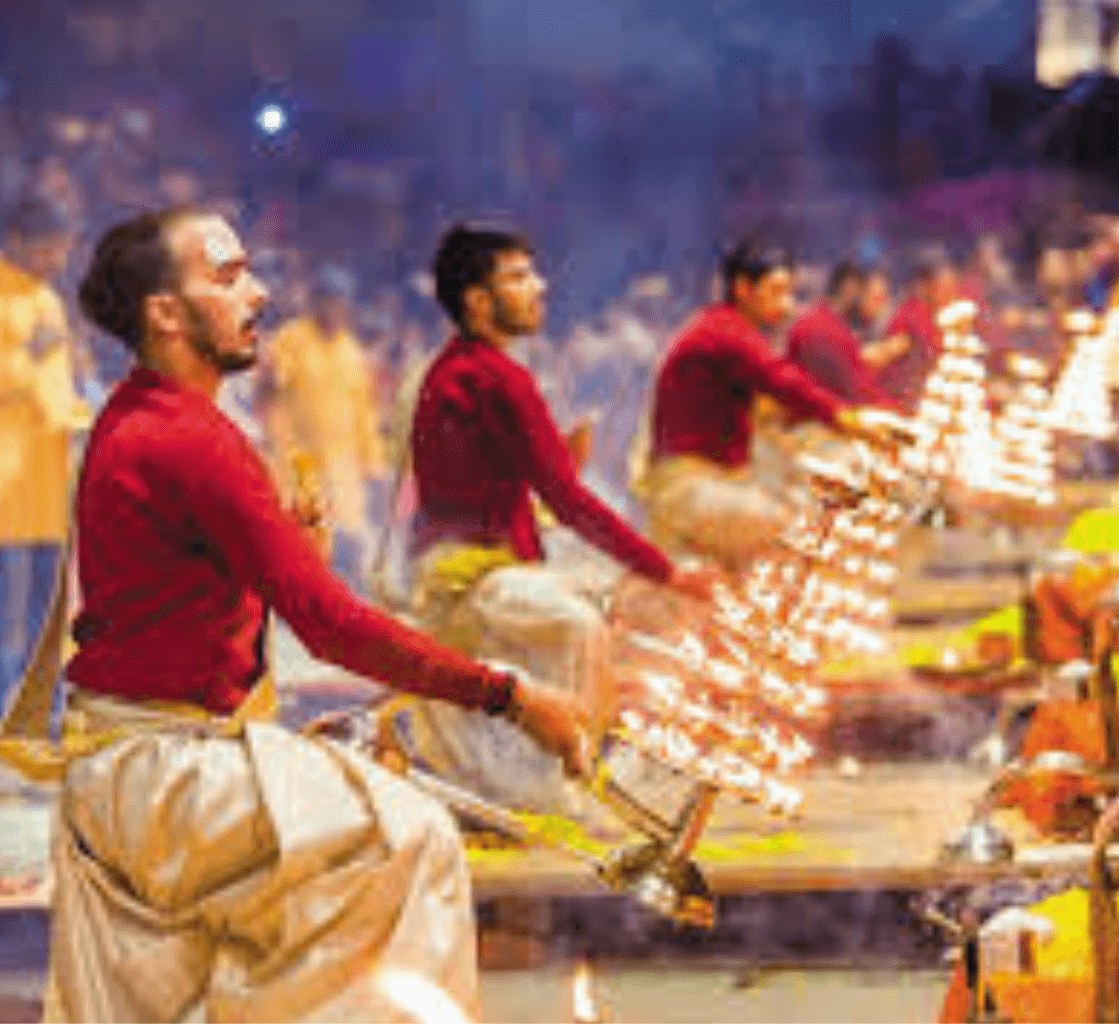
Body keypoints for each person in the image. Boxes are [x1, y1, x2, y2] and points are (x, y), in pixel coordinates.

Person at [21, 206, 589, 1023]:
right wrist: (512, 696)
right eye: (226, 277)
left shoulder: (151, 416)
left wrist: (299, 563)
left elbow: (182, 608)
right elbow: (329, 626)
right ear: (165, 313)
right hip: (164, 781)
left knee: (356, 841)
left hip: (142, 765)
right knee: (414, 841)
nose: (258, 293)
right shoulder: (188, 438)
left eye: (249, 270)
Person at [407, 224, 719, 812]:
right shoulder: (494, 377)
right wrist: (668, 573)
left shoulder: (465, 369)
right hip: (467, 579)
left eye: (535, 272)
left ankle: (572, 768)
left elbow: (502, 487)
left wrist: (553, 474)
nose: (540, 287)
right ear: (477, 300)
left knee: (613, 608)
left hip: (478, 567)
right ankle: (571, 780)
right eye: (519, 276)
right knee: (582, 623)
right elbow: (570, 503)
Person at [638, 241, 889, 572]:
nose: (786, 305)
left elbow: (775, 399)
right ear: (743, 288)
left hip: (714, 484)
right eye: (776, 291)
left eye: (789, 292)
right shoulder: (725, 331)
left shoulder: (728, 329)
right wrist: (847, 420)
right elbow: (784, 382)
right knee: (796, 535)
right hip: (690, 489)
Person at [0, 193, 84, 712]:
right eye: (52, 248)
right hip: (7, 488)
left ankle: (39, 717)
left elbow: (58, 390)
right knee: (5, 618)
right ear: (17, 242)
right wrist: (30, 354)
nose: (59, 259)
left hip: (48, 486)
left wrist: (86, 419)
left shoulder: (48, 300)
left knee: (46, 620)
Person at [262, 263, 387, 591]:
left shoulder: (353, 354)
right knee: (300, 544)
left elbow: (365, 416)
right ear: (314, 301)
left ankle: (344, 610)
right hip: (298, 463)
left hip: (343, 470)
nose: (334, 308)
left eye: (341, 301)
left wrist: (373, 465)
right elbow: (272, 385)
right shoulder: (291, 338)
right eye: (328, 300)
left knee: (348, 543)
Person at [784, 260, 899, 407]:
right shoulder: (822, 328)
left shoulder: (832, 323)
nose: (882, 307)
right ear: (850, 288)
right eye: (876, 298)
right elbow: (854, 394)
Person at [876, 247, 960, 411]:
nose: (951, 293)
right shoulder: (909, 316)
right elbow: (892, 368)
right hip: (901, 404)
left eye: (953, 285)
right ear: (926, 285)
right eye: (945, 286)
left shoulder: (943, 316)